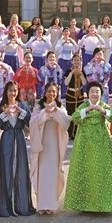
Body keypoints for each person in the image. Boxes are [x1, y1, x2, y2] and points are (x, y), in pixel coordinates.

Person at [64, 82, 112, 213]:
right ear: (87, 94)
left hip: (101, 143)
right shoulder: (83, 106)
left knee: (100, 171)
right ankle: (84, 204)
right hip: (84, 143)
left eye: (97, 92)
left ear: (101, 94)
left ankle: (103, 204)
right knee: (85, 169)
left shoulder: (104, 106)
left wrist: (103, 111)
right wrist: (87, 110)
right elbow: (75, 118)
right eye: (92, 92)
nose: (95, 94)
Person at [0, 82, 35, 217]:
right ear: (6, 92)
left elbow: (30, 122)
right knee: (7, 170)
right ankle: (7, 205)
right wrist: (4, 114)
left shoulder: (22, 105)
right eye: (10, 90)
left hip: (19, 137)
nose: (13, 93)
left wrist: (21, 112)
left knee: (21, 169)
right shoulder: (1, 107)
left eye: (15, 90)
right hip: (7, 139)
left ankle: (21, 205)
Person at [30, 83, 70, 214]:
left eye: (54, 92)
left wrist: (56, 113)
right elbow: (32, 122)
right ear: (45, 92)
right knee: (42, 174)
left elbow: (66, 123)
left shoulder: (60, 107)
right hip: (42, 146)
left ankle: (51, 205)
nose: (51, 94)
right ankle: (42, 205)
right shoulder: (39, 107)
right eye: (49, 91)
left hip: (55, 145)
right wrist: (44, 113)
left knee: (53, 173)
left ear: (57, 93)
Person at [63, 53, 86, 139]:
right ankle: (70, 133)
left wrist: (81, 74)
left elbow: (84, 83)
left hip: (79, 94)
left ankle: (78, 132)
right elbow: (66, 83)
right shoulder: (68, 71)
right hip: (70, 94)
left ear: (80, 61)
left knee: (79, 113)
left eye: (78, 60)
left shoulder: (82, 71)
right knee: (70, 113)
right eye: (75, 60)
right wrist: (72, 73)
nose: (76, 62)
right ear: (72, 61)